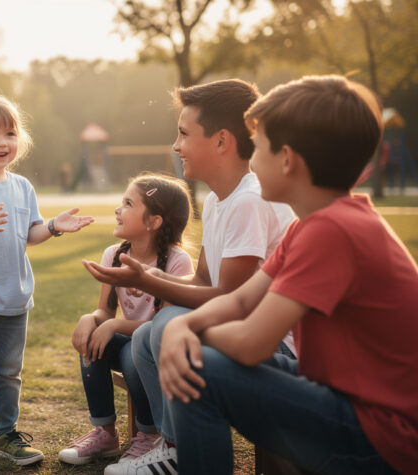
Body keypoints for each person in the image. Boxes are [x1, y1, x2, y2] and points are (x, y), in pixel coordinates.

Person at [152, 75, 418, 474]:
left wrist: (185, 332)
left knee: (200, 368)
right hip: (344, 396)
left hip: (384, 434)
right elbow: (242, 300)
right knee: (196, 353)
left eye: (256, 148)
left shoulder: (335, 230)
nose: (251, 160)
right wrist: (182, 327)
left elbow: (252, 344)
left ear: (288, 160)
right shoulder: (309, 225)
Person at [82, 79, 296, 474]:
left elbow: (229, 298)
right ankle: (173, 444)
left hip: (275, 346)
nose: (176, 146)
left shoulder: (249, 200)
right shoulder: (217, 200)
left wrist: (148, 282)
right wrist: (143, 273)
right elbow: (201, 282)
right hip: (243, 330)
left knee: (165, 324)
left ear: (222, 141)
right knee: (147, 334)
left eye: (183, 133)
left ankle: (180, 452)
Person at [0, 94, 94, 474]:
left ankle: (5, 437)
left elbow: (30, 234)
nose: (2, 142)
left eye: (9, 132)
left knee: (9, 373)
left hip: (15, 298)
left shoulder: (22, 186)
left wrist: (54, 227)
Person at [58, 173, 194, 467]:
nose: (118, 209)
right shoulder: (114, 254)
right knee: (92, 340)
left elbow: (163, 327)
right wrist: (90, 319)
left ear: (153, 221)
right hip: (127, 344)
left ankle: (148, 435)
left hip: (156, 351)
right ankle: (104, 433)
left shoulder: (177, 261)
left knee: (134, 352)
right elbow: (104, 311)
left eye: (128, 203)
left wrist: (115, 325)